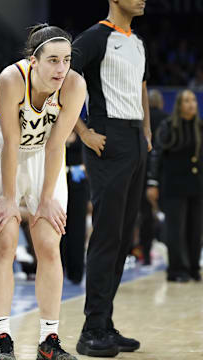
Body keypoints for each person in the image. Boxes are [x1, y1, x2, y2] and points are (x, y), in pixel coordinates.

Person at [0, 24, 86, 360]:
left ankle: (48, 340)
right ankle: (2, 338)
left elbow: (56, 146)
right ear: (33, 60)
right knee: (6, 239)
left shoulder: (75, 85)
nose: (60, 68)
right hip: (2, 151)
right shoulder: (12, 79)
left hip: (43, 155)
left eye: (66, 60)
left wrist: (45, 200)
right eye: (52, 60)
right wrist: (10, 199)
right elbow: (11, 143)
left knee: (49, 242)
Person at [71, 0, 151, 357]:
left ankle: (105, 323)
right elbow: (58, 80)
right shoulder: (94, 38)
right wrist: (83, 132)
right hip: (107, 138)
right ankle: (90, 331)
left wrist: (146, 133)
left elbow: (143, 88)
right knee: (106, 236)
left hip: (134, 140)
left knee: (121, 239)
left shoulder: (137, 42)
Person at [147, 90, 203, 282]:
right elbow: (157, 155)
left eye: (193, 100)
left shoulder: (200, 127)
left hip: (197, 185)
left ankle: (194, 268)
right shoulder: (168, 126)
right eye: (186, 101)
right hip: (173, 184)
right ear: (179, 105)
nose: (191, 104)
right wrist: (152, 182)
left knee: (195, 229)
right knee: (176, 229)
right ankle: (177, 269)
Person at [137, 89, 167, 265]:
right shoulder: (166, 119)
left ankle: (146, 255)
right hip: (162, 174)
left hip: (141, 172)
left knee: (144, 216)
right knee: (168, 214)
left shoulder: (140, 120)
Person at [61, 129, 89, 284]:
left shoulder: (83, 134)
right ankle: (59, 269)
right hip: (58, 181)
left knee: (78, 227)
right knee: (59, 226)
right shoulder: (55, 129)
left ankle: (76, 272)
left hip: (79, 183)